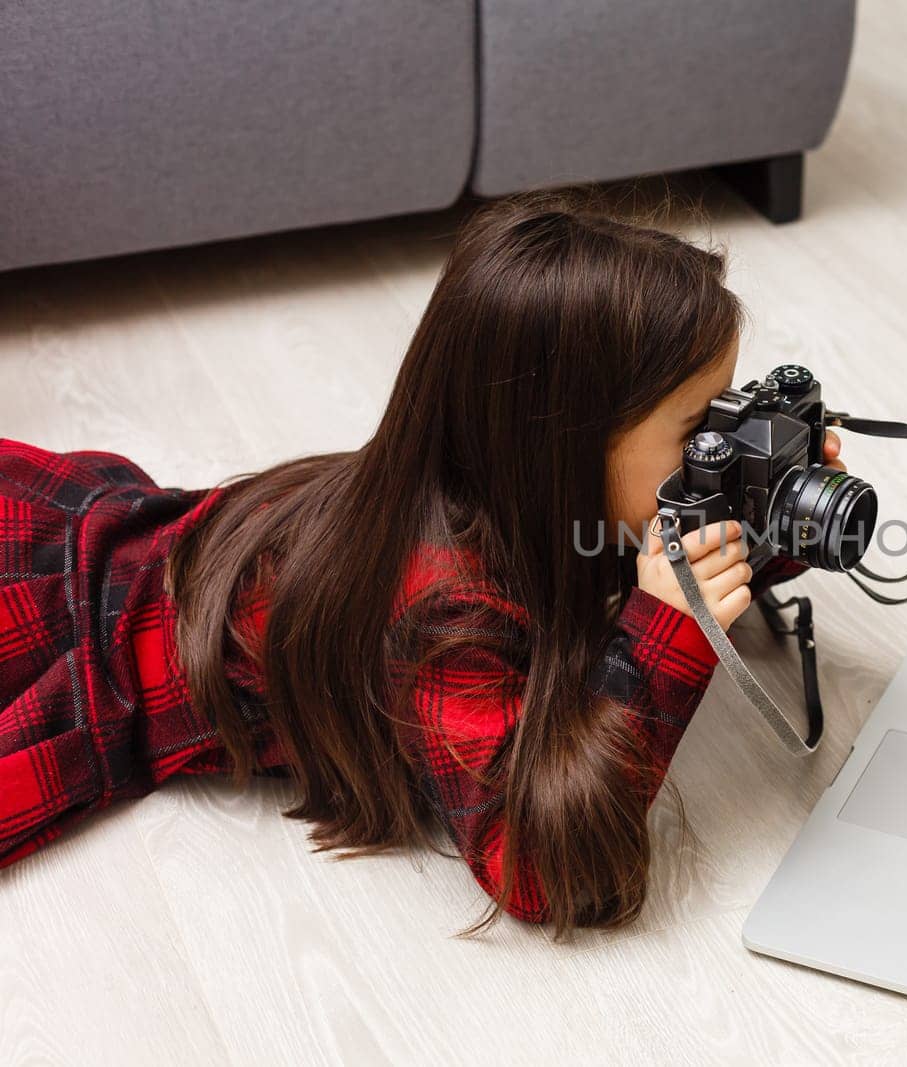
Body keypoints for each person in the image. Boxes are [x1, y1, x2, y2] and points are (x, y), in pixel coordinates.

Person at [0, 190, 846, 937]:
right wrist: (673, 626)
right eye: (703, 432)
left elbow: (640, 539)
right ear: (563, 442)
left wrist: (771, 512)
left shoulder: (522, 490)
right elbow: (542, 871)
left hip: (201, 546)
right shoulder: (445, 610)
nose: (725, 450)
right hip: (96, 642)